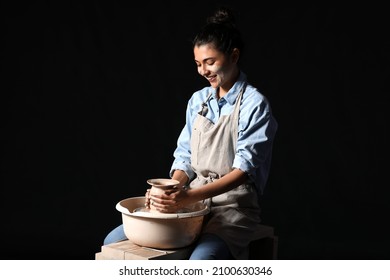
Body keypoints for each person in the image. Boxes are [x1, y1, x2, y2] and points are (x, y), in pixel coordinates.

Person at [103, 6, 278, 260]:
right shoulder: (198, 100)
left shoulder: (254, 103)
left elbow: (243, 171)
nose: (203, 71)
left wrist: (186, 197)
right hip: (193, 203)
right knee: (112, 241)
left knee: (201, 261)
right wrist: (172, 190)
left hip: (232, 208)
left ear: (234, 55)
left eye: (210, 62)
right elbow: (185, 156)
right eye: (198, 64)